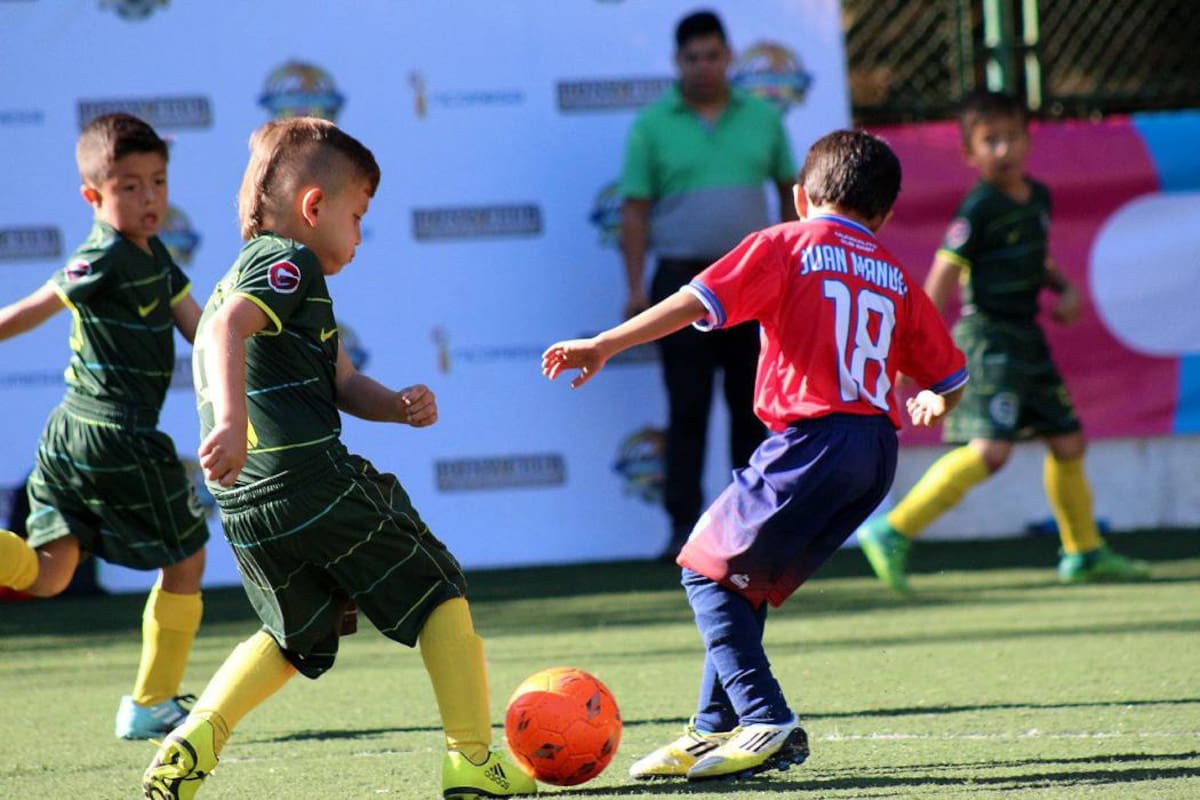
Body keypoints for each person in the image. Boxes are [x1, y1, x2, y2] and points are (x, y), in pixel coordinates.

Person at [543, 129, 968, 781]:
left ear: (800, 197)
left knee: (704, 571)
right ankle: (712, 729)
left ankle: (764, 716)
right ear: (882, 215)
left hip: (813, 442)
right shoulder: (892, 272)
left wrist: (606, 342)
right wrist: (937, 407)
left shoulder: (786, 243)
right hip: (874, 452)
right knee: (744, 583)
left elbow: (695, 301)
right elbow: (950, 379)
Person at [142, 117, 536, 800]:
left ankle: (194, 740)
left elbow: (343, 382)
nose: (360, 235)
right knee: (438, 587)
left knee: (296, 635)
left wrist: (396, 405)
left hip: (248, 508)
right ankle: (471, 759)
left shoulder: (260, 281)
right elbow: (229, 330)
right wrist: (233, 424)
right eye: (357, 216)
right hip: (311, 481)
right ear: (314, 208)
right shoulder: (283, 265)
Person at [856, 90, 1150, 594]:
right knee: (992, 451)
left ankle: (1083, 552)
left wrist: (1063, 287)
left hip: (1026, 337)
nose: (1003, 149)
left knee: (1068, 441)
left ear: (1027, 140)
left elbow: (1038, 255)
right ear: (969, 153)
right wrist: (913, 345)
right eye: (989, 141)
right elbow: (945, 273)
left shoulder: (1037, 197)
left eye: (1011, 137)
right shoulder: (981, 206)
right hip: (988, 338)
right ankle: (892, 530)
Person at [0, 113, 207, 739]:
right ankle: (150, 703)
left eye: (158, 182)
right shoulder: (104, 256)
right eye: (130, 187)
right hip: (112, 433)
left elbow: (201, 332)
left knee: (49, 573)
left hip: (71, 436)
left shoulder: (157, 255)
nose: (149, 199)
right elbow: (34, 308)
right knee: (190, 557)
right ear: (94, 196)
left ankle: (151, 702)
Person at [619, 9, 798, 558]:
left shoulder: (763, 120)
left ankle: (751, 527)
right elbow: (634, 212)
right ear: (678, 62)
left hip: (754, 282)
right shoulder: (652, 126)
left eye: (712, 55)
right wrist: (634, 290)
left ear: (729, 57)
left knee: (754, 408)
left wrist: (797, 279)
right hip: (682, 283)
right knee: (687, 410)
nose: (703, 66)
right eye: (692, 57)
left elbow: (794, 196)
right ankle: (683, 531)